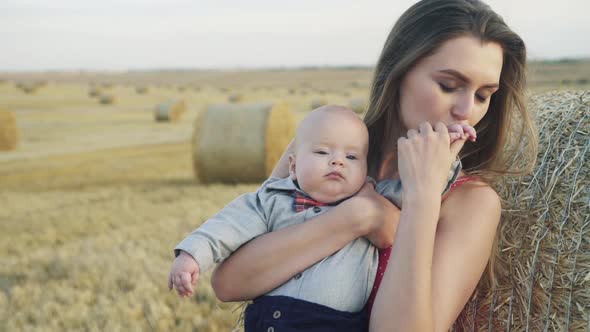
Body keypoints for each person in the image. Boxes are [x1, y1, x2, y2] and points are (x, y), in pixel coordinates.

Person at [206, 0, 539, 331]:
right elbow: (229, 282)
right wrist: (359, 217)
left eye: (483, 95)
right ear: (399, 71)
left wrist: (422, 198)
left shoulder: (471, 202)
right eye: (449, 86)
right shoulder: (322, 152)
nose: (466, 110)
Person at [168, 105, 473, 329]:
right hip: (269, 321)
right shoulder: (271, 197)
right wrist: (190, 256)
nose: (338, 161)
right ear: (292, 165)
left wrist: (446, 153)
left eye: (351, 157)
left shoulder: (375, 195)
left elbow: (421, 187)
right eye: (322, 153)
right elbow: (226, 226)